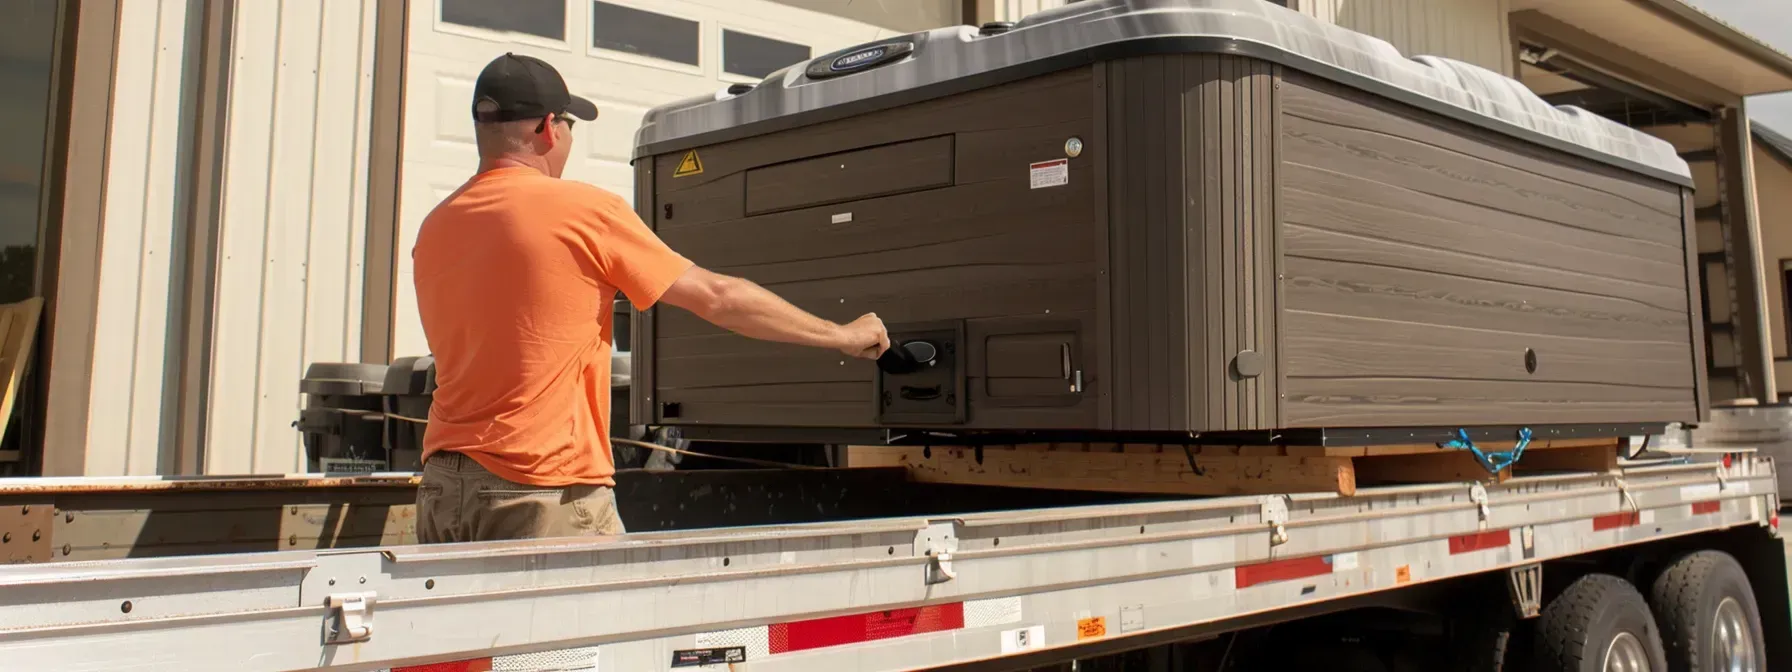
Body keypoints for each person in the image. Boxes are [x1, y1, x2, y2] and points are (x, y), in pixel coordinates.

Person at [410, 53, 890, 544]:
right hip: (541, 488)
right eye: (571, 125)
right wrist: (842, 335)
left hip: (443, 490)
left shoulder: (436, 227)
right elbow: (718, 297)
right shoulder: (583, 211)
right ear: (549, 129)